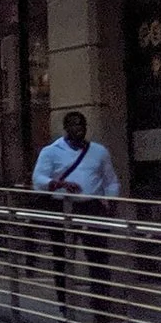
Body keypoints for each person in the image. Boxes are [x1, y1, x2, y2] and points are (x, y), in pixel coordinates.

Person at [32, 112, 122, 310]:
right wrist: (57, 183)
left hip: (91, 206)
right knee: (62, 257)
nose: (78, 129)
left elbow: (111, 180)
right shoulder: (51, 151)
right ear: (66, 128)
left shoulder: (99, 151)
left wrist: (110, 201)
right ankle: (66, 304)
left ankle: (101, 307)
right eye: (74, 125)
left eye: (82, 125)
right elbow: (38, 179)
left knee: (98, 257)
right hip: (63, 206)